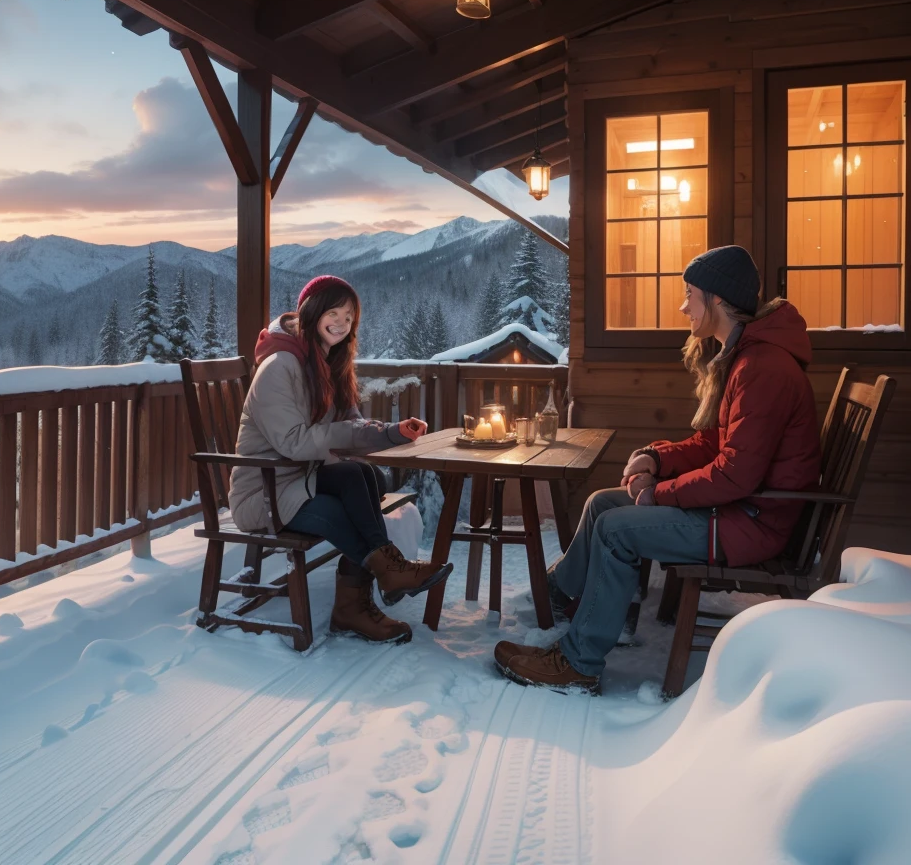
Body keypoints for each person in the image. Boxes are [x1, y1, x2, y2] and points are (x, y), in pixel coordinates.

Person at [493, 246, 821, 693]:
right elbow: (716, 442)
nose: (684, 306)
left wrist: (658, 492)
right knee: (604, 501)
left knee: (616, 529)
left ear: (719, 300)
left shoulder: (761, 368)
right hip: (743, 510)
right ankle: (566, 596)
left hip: (750, 521)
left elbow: (734, 475)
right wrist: (657, 458)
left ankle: (578, 662)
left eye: (691, 294)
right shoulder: (747, 357)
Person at [229, 275, 454, 644]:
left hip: (300, 478)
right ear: (311, 313)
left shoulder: (326, 363)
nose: (341, 323)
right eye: (333, 313)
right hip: (264, 491)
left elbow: (351, 425)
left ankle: (367, 592)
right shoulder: (279, 366)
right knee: (342, 508)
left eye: (349, 317)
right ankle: (369, 591)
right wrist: (349, 435)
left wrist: (392, 432)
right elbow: (294, 443)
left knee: (364, 477)